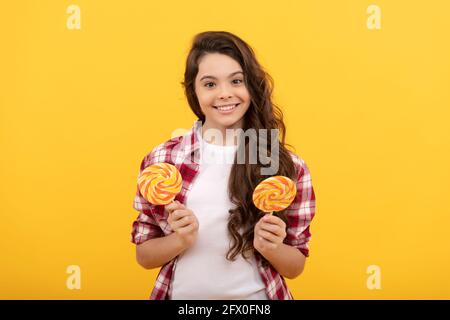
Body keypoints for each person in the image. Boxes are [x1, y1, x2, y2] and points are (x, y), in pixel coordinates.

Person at [130, 31, 316, 300]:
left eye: (236, 81)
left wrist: (273, 246)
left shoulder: (286, 167)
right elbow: (144, 257)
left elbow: (295, 266)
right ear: (193, 91)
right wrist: (179, 239)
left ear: (251, 85)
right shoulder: (162, 161)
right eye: (209, 84)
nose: (225, 94)